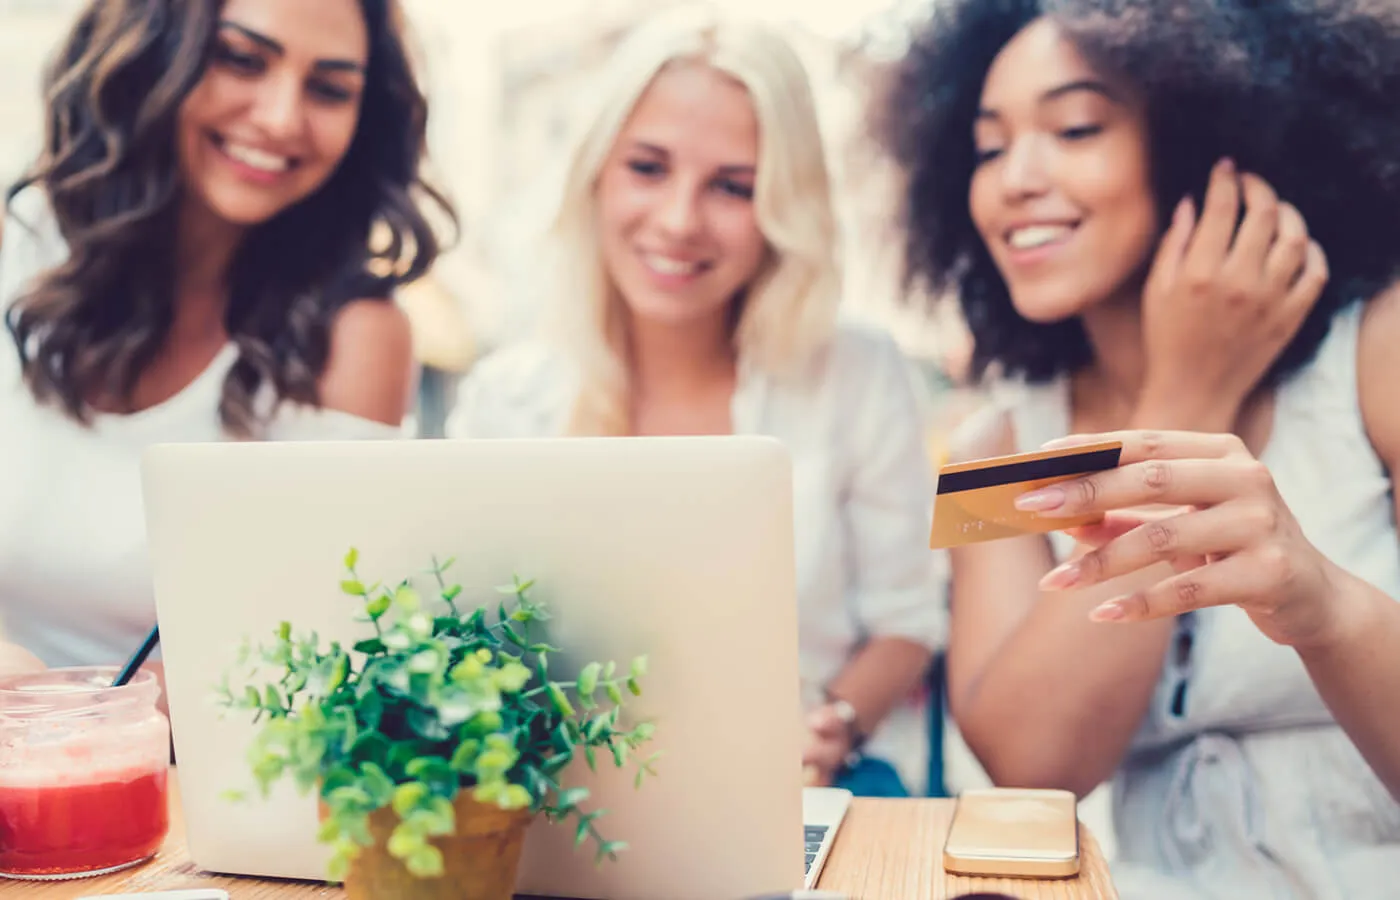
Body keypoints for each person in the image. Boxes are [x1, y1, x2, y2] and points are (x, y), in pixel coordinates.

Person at [877, 0, 1400, 895]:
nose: (1015, 180)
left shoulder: (1378, 346)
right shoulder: (990, 444)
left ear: (1208, 139)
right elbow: (1033, 763)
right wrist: (1186, 397)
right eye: (989, 146)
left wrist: (1324, 607)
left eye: (1075, 127)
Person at [445, 6, 943, 797]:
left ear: (783, 205)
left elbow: (907, 622)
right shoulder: (506, 400)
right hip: (566, 799)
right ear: (596, 173)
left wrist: (832, 728)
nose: (678, 222)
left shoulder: (857, 373)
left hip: (796, 788)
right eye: (647, 167)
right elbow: (467, 636)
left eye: (732, 187)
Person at [0, 0, 452, 679]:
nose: (279, 119)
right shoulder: (19, 240)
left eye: (329, 89)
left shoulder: (356, 336)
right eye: (241, 60)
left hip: (172, 764)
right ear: (150, 53)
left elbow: (288, 657)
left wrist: (63, 716)